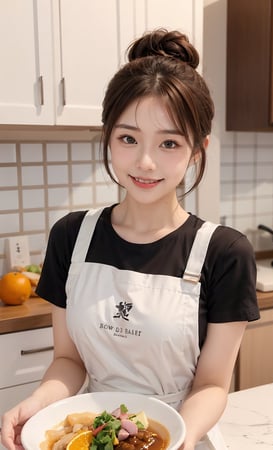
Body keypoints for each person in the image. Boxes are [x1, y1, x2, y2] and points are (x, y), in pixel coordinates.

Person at [1, 29, 260, 450]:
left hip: (181, 436)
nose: (145, 162)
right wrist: (37, 403)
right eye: (128, 138)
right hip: (91, 433)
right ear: (108, 135)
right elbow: (69, 361)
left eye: (170, 143)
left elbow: (212, 385)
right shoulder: (72, 235)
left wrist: (179, 438)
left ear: (198, 149)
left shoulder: (224, 252)